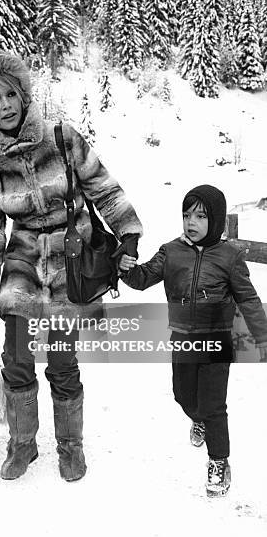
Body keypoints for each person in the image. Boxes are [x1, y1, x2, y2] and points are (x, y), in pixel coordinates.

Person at [0, 45, 142, 481]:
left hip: (69, 259)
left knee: (61, 359)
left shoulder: (62, 138)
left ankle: (71, 446)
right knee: (17, 359)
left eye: (9, 96)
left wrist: (128, 231)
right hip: (21, 263)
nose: (5, 107)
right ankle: (22, 445)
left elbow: (104, 188)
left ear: (23, 94)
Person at [119, 184, 267, 497]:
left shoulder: (229, 256)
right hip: (183, 340)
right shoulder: (171, 251)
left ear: (216, 220)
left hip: (216, 342)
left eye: (200, 216)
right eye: (187, 215)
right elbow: (143, 278)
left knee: (213, 406)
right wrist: (126, 270)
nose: (192, 222)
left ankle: (218, 460)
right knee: (183, 396)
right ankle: (197, 418)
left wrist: (263, 337)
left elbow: (249, 299)